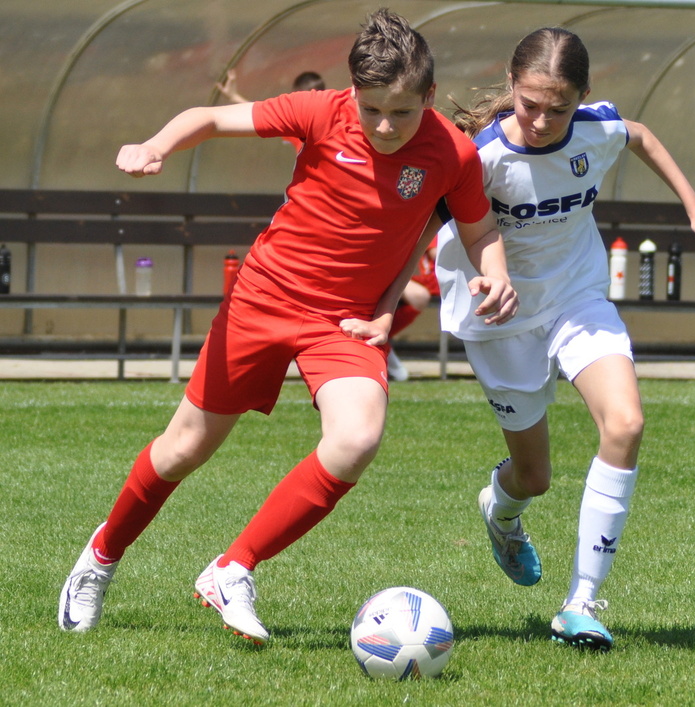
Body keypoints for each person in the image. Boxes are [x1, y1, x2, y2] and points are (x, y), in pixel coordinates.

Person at [58, 9, 516, 645]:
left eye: (402, 112)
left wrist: (496, 273)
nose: (385, 126)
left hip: (344, 323)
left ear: (430, 96)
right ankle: (100, 558)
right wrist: (156, 146)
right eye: (372, 109)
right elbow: (210, 118)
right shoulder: (320, 111)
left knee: (356, 440)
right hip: (264, 299)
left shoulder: (453, 153)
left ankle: (233, 569)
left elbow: (480, 228)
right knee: (184, 449)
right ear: (351, 92)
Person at [435, 27, 695, 651]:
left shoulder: (595, 130)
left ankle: (581, 603)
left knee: (625, 424)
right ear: (510, 85)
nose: (543, 122)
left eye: (560, 108)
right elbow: (415, 227)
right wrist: (381, 312)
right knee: (534, 476)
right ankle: (501, 509)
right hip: (499, 319)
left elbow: (639, 135)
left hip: (577, 299)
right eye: (530, 106)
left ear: (583, 95)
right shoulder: (478, 158)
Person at [216, 69, 326, 153]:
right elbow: (261, 114)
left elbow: (261, 114)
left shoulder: (325, 120)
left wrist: (234, 97)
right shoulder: (294, 123)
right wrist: (234, 96)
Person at [385, 236, 439, 381]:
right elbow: (437, 253)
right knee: (419, 295)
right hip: (397, 275)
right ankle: (378, 338)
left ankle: (380, 339)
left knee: (419, 296)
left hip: (432, 283)